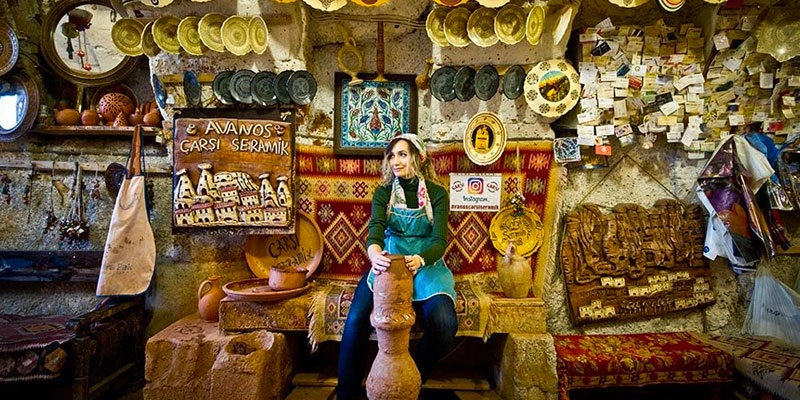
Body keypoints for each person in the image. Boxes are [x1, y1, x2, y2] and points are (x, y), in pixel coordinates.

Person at [336, 134, 458, 400]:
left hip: (426, 263)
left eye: (402, 154)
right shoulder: (383, 193)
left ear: (418, 156)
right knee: (356, 318)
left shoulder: (437, 194)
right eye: (391, 155)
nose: (395, 161)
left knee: (444, 322)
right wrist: (374, 253)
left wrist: (421, 259)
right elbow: (376, 229)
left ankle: (413, 377)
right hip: (390, 261)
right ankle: (346, 392)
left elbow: (439, 241)